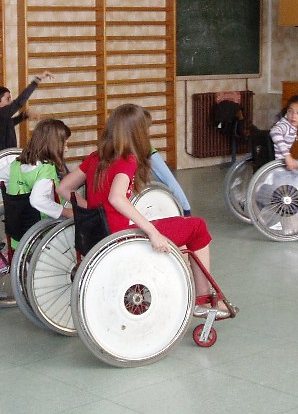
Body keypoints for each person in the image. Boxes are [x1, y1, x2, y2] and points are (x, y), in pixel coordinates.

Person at [57, 103, 233, 318]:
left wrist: (91, 209)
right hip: (119, 236)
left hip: (97, 233)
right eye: (146, 128)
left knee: (174, 223)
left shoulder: (96, 156)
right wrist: (152, 232)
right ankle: (203, 299)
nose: (149, 132)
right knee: (197, 227)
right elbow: (117, 198)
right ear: (136, 132)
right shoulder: (127, 159)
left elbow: (64, 188)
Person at [0, 71, 54, 152]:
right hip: (6, 158)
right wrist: (37, 80)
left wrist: (24, 115)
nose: (11, 101)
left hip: (5, 155)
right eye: (8, 99)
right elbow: (19, 102)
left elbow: (10, 123)